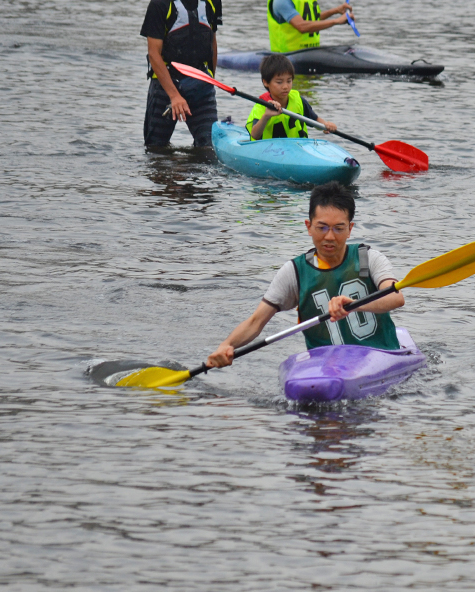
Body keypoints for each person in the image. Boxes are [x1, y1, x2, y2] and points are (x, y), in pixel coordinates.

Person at [207, 182, 405, 368]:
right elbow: (255, 322)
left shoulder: (368, 258)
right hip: (326, 367)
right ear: (308, 227)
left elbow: (395, 297)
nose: (329, 236)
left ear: (350, 229)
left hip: (380, 357)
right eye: (322, 227)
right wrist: (226, 345)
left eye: (338, 228)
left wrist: (355, 305)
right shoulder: (295, 272)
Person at [141, 0, 222, 147]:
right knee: (156, 151)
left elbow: (212, 42)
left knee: (209, 148)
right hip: (165, 87)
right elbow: (154, 54)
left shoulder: (212, 2)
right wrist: (174, 96)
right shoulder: (160, 4)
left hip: (201, 85)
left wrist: (210, 80)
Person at [246, 54, 336, 140]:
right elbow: (255, 135)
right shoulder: (261, 106)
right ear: (266, 82)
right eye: (279, 82)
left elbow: (315, 119)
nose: (285, 86)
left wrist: (325, 125)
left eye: (289, 81)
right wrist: (266, 116)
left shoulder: (298, 100)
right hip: (271, 152)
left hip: (297, 149)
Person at [267, 0, 355, 53]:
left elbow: (312, 18)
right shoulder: (281, 1)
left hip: (310, 52)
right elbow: (301, 26)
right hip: (287, 58)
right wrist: (336, 21)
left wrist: (335, 11)